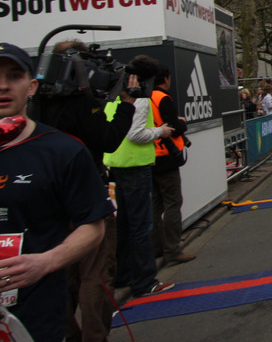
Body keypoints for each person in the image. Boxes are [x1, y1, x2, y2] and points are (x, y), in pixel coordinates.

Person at [0, 43, 113, 342]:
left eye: (14, 76)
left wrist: (46, 262)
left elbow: (93, 226)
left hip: (35, 319)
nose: (3, 86)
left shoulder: (62, 150)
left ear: (32, 86)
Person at [28, 40, 140, 342]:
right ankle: (95, 336)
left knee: (61, 275)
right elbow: (108, 140)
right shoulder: (81, 101)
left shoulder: (35, 102)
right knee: (96, 275)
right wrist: (127, 105)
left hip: (48, 202)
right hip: (86, 200)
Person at [103, 55, 175, 299]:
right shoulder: (140, 98)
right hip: (135, 165)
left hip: (117, 164)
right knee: (140, 226)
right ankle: (144, 281)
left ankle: (122, 274)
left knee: (124, 224)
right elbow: (136, 134)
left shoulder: (115, 95)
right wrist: (160, 131)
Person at [150, 67, 194, 266]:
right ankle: (172, 250)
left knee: (155, 204)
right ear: (166, 79)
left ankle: (156, 246)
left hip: (149, 155)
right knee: (173, 203)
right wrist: (181, 123)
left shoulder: (143, 98)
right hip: (166, 155)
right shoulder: (162, 98)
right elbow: (173, 128)